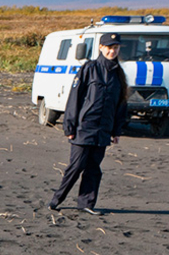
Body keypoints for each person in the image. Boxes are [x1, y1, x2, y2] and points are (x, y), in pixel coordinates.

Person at [49, 32, 129, 215]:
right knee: (76, 166)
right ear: (101, 48)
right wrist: (69, 126)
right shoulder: (89, 68)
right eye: (109, 48)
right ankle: (56, 200)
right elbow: (74, 99)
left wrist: (117, 130)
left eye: (115, 48)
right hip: (84, 128)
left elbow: (121, 104)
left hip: (103, 130)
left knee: (94, 168)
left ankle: (86, 204)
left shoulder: (119, 73)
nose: (112, 51)